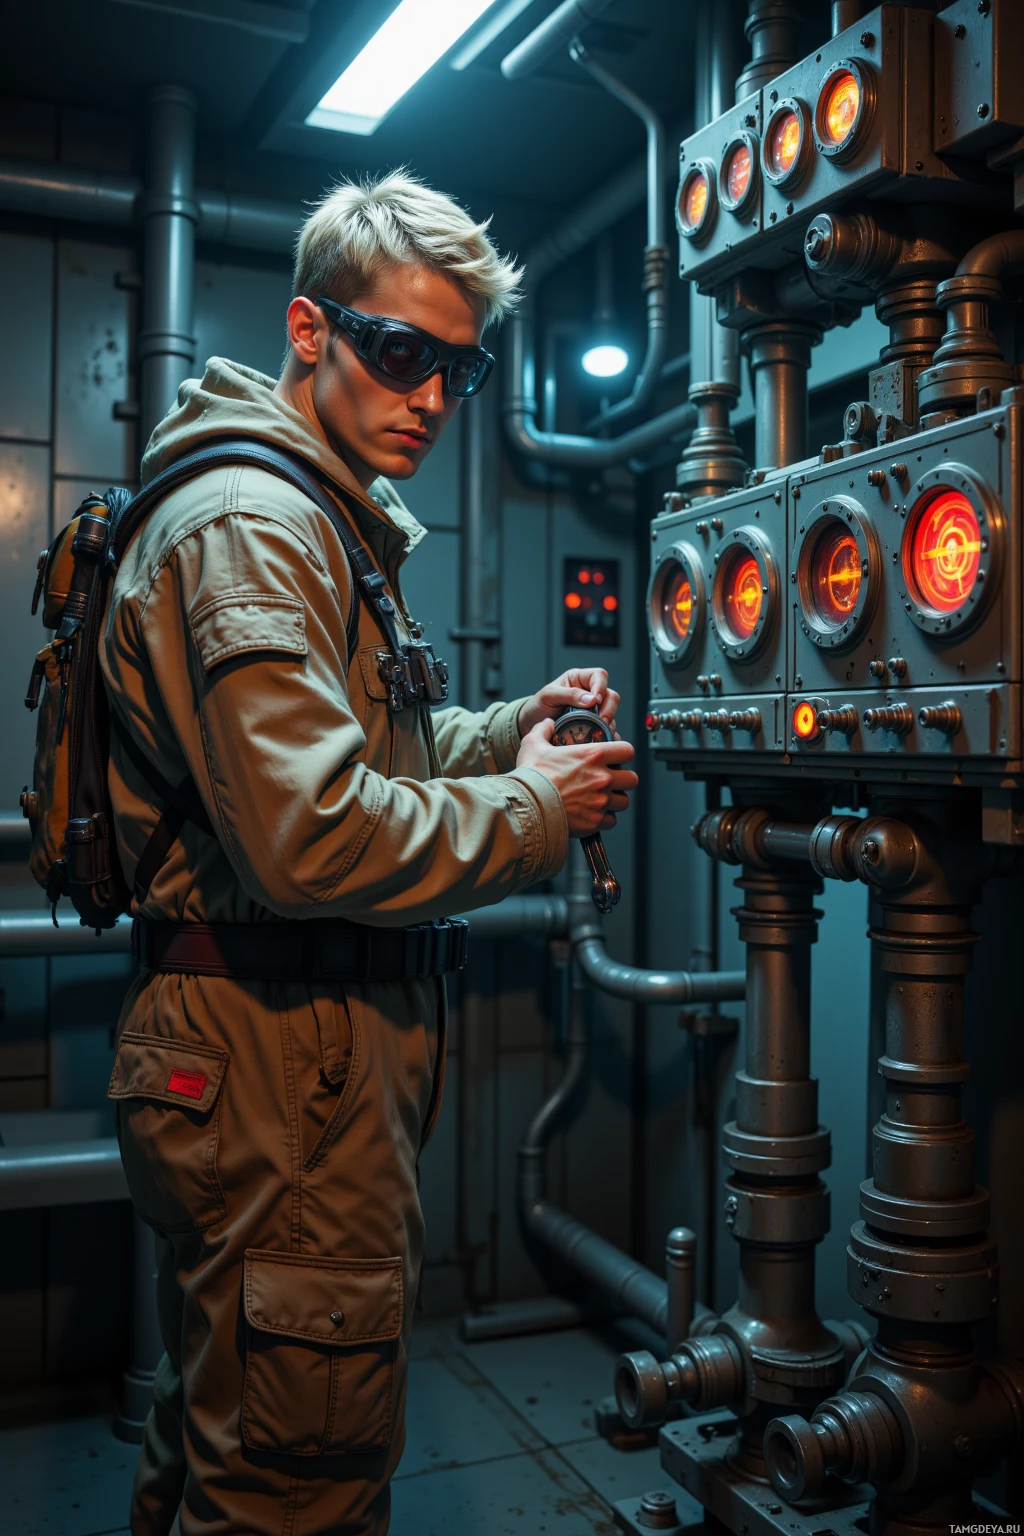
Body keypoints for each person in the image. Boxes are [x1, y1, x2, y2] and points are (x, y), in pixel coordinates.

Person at [102, 170, 637, 1536]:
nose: (433, 399)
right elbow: (313, 839)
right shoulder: (257, 526)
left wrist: (513, 731)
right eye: (400, 353)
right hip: (278, 1057)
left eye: (460, 370)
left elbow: (355, 764)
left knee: (224, 1432)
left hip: (276, 1051)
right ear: (308, 328)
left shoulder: (307, 511)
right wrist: (534, 811)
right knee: (296, 1487)